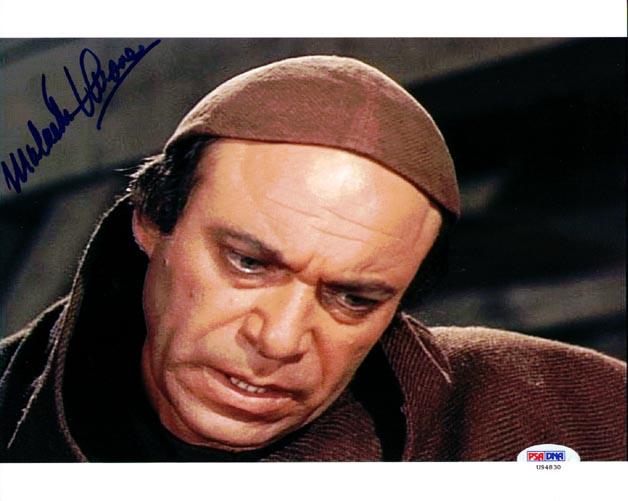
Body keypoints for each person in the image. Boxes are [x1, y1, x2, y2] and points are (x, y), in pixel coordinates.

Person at [0, 55, 625, 462]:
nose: (279, 340)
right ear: (151, 221)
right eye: (248, 264)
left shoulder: (563, 411)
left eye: (353, 298)